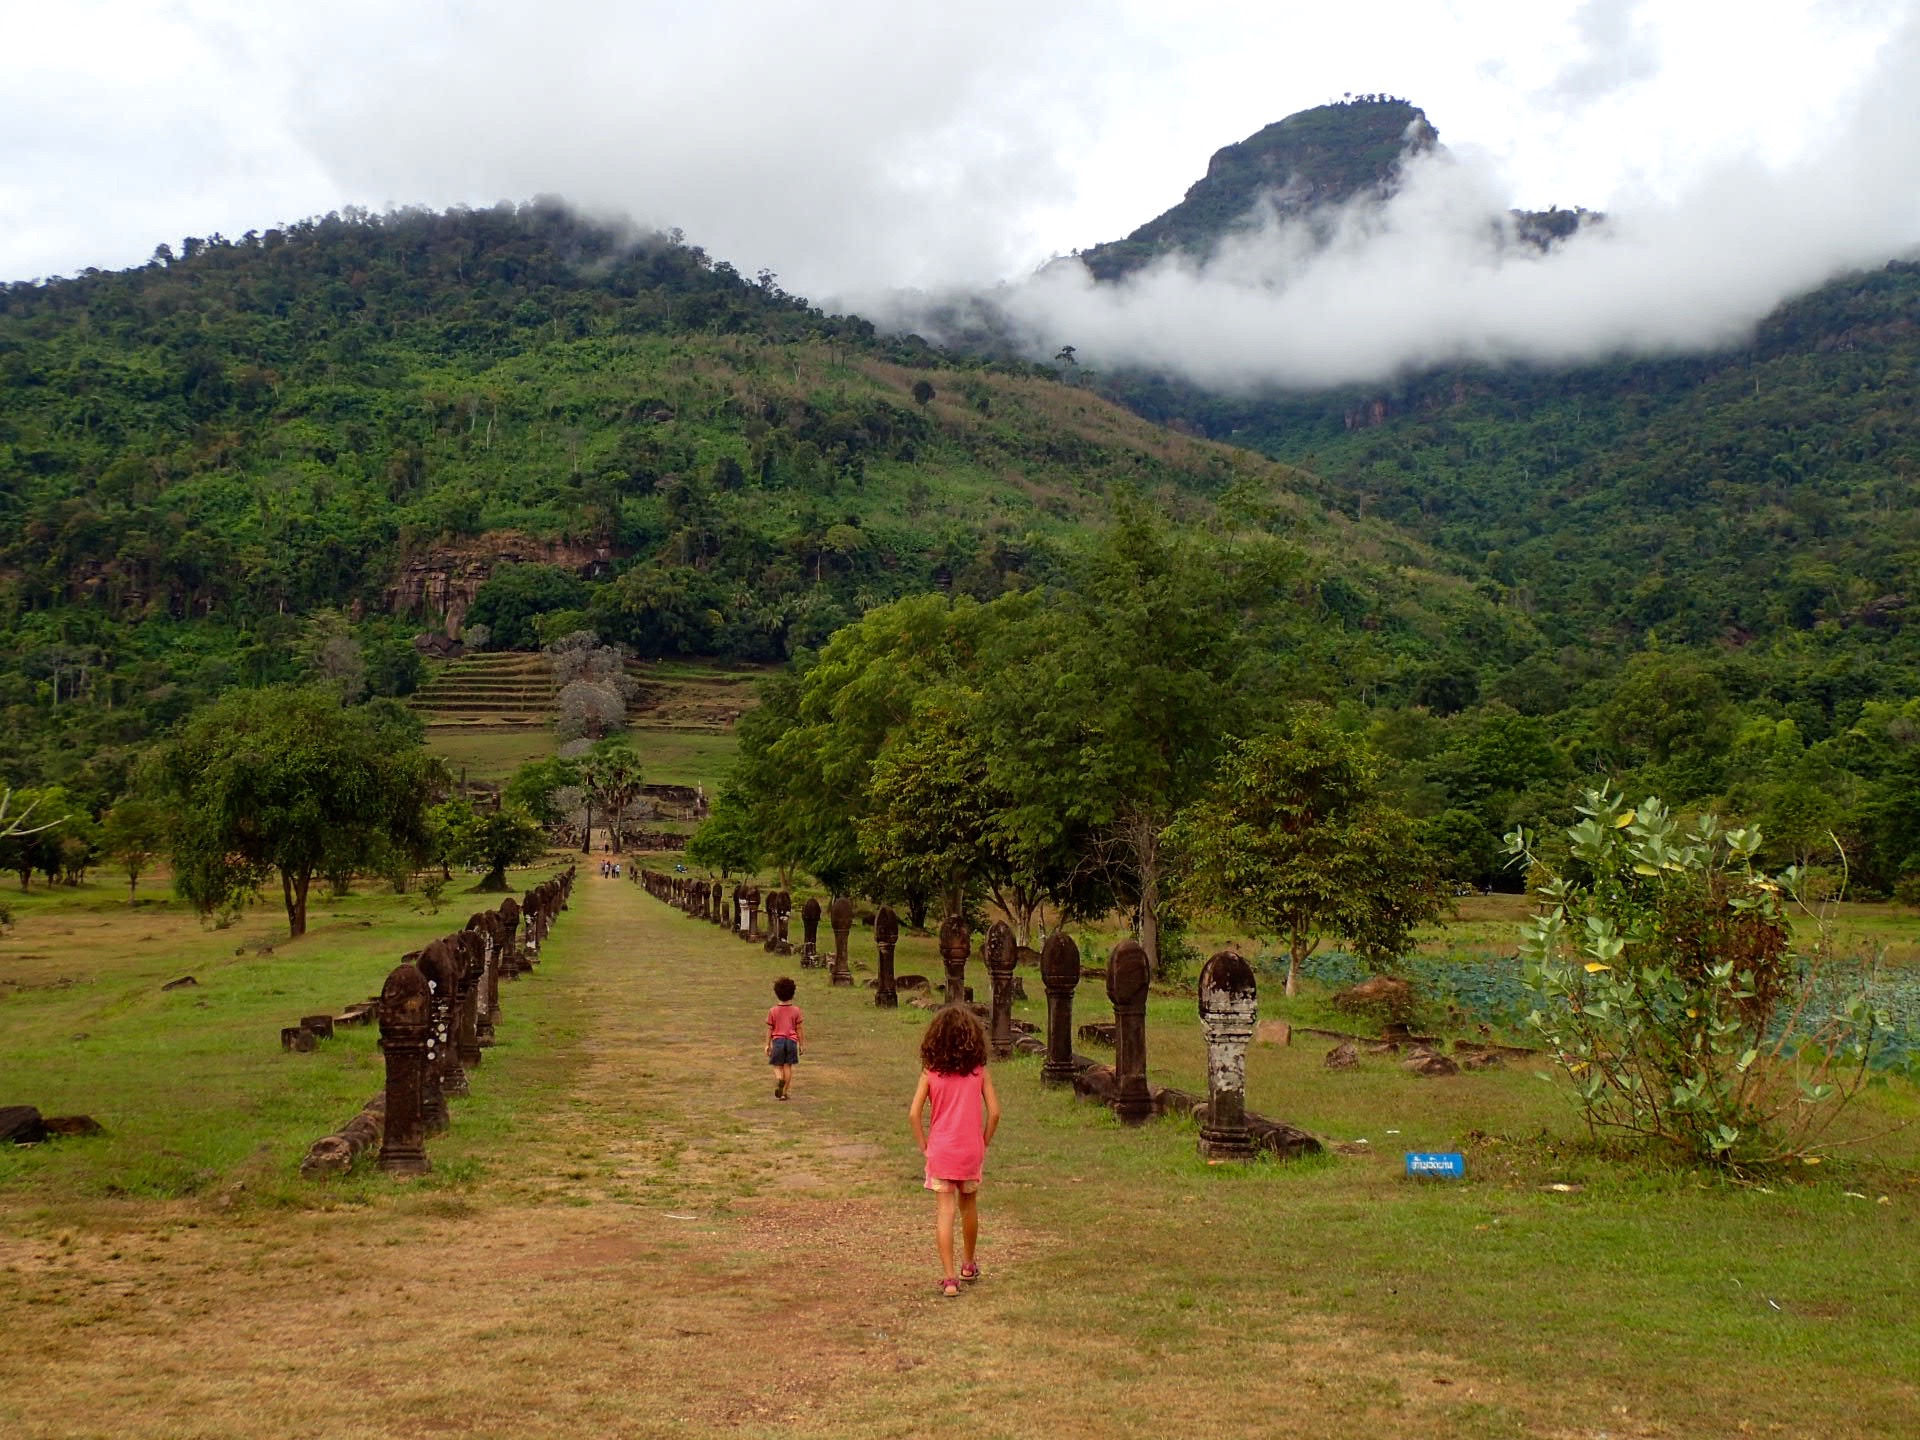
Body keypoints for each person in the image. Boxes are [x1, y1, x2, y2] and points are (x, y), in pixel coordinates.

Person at [908, 1006, 1001, 1297]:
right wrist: (983, 1141)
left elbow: (913, 1114)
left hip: (941, 1150)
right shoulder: (979, 1073)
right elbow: (995, 1113)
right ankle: (968, 1264)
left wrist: (924, 1145)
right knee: (968, 1206)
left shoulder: (930, 1073)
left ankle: (949, 1278)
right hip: (970, 1149)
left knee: (945, 1211)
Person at [766, 976, 804, 1101]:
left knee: (777, 1065)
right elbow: (799, 1028)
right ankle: (784, 1093)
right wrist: (801, 1044)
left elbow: (770, 1029)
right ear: (792, 993)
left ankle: (779, 1079)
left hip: (778, 1041)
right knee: (788, 1066)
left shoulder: (773, 1011)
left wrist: (767, 1044)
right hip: (791, 1041)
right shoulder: (796, 1010)